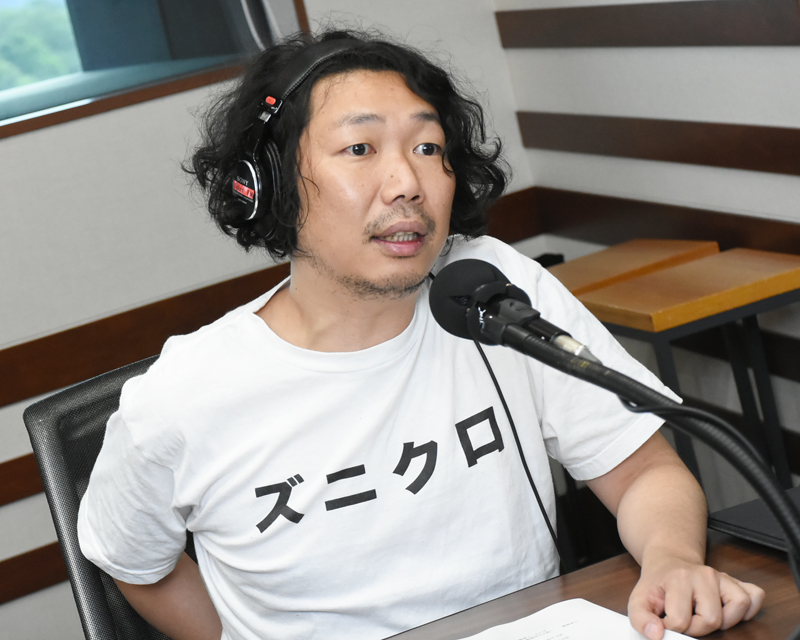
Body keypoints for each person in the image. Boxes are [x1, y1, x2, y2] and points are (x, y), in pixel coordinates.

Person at [77, 28, 765, 640]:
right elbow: (134, 563)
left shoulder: (493, 289)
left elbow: (642, 469)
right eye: (359, 148)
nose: (406, 181)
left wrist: (672, 560)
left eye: (428, 147)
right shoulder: (183, 395)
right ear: (269, 183)